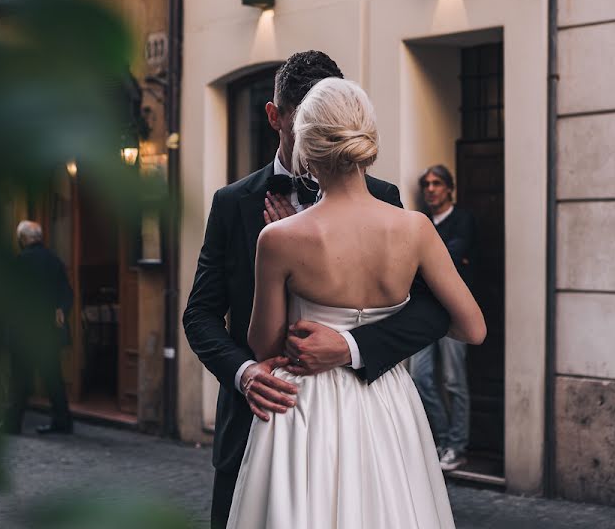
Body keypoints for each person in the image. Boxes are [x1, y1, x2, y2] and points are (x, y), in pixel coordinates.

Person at [183, 51, 454, 529]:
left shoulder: (385, 199)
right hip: (256, 421)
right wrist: (244, 373)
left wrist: (352, 347)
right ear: (275, 117)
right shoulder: (232, 203)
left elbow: (435, 311)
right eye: (304, 123)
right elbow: (200, 314)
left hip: (356, 430)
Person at [409, 165, 477, 471]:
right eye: (427, 184)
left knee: (453, 381)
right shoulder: (420, 222)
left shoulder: (463, 220)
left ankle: (457, 447)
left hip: (453, 313)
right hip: (423, 312)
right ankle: (441, 440)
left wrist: (425, 262)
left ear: (449, 187)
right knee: (420, 378)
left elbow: (451, 255)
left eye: (437, 183)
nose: (431, 189)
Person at [5, 220, 74, 435]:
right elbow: (67, 293)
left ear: (23, 239)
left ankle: (13, 423)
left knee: (20, 380)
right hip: (49, 332)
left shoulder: (20, 262)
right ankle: (63, 421)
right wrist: (61, 311)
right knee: (53, 378)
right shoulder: (54, 261)